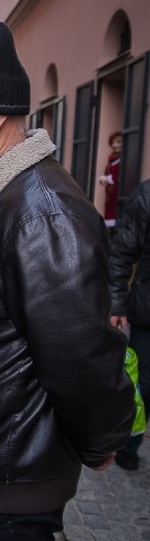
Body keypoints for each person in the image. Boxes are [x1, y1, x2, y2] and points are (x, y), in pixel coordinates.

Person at [0, 21, 135, 539]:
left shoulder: (43, 213)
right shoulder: (0, 196)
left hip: (1, 493)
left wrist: (103, 442)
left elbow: (81, 360)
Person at [108, 177, 150, 470]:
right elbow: (122, 251)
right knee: (142, 383)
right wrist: (116, 301)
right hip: (147, 309)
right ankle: (128, 443)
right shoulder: (147, 193)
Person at [100, 131, 123, 228]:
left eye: (118, 142)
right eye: (113, 143)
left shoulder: (123, 158)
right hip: (110, 194)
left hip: (119, 193)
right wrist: (102, 179)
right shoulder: (111, 158)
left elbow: (122, 175)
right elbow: (107, 174)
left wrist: (108, 179)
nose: (115, 145)